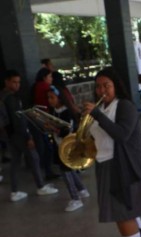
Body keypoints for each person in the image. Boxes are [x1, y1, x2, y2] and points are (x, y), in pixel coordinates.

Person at [83, 67, 141, 237]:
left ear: (116, 86)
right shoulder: (102, 109)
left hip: (124, 165)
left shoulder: (124, 106)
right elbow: (93, 136)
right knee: (126, 206)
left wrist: (96, 114)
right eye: (98, 86)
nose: (101, 90)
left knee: (121, 212)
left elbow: (122, 134)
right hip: (105, 163)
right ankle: (139, 231)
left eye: (106, 85)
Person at [0, 70, 58, 202]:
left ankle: (14, 191)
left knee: (15, 162)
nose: (17, 85)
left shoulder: (2, 96)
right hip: (19, 134)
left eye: (18, 82)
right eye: (14, 82)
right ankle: (41, 186)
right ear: (7, 81)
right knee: (34, 157)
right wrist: (28, 137)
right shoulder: (12, 98)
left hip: (8, 134)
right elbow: (19, 120)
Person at [47, 86, 90, 212]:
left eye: (52, 97)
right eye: (48, 98)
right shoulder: (55, 110)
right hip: (59, 144)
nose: (49, 100)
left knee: (65, 171)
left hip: (67, 146)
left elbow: (67, 131)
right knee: (68, 169)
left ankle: (75, 198)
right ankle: (81, 189)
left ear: (59, 98)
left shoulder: (66, 112)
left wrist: (53, 128)